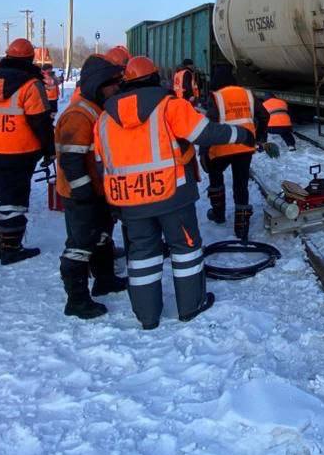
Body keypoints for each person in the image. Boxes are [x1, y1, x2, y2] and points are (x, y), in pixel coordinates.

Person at [94, 56, 253, 329]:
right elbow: (204, 133)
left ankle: (147, 316)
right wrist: (241, 135)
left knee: (142, 255)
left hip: (131, 201)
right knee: (185, 249)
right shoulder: (169, 107)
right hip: (172, 195)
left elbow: (102, 163)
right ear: (156, 78)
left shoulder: (105, 119)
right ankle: (191, 307)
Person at [0, 38, 55, 264]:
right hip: (19, 152)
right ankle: (11, 249)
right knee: (13, 201)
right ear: (30, 59)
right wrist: (49, 150)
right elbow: (40, 122)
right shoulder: (30, 85)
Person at [55, 54, 128, 319]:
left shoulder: (97, 109)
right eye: (112, 83)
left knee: (102, 236)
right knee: (80, 245)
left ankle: (105, 279)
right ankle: (76, 300)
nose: (117, 88)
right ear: (98, 84)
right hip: (81, 194)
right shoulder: (79, 115)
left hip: (97, 191)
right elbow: (71, 160)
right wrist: (84, 191)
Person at [202, 64, 269, 241]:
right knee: (241, 185)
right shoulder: (247, 94)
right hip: (244, 147)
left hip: (221, 147)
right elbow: (264, 115)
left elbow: (208, 126)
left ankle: (218, 213)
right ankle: (242, 229)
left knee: (215, 177)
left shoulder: (215, 97)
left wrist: (204, 152)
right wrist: (260, 136)